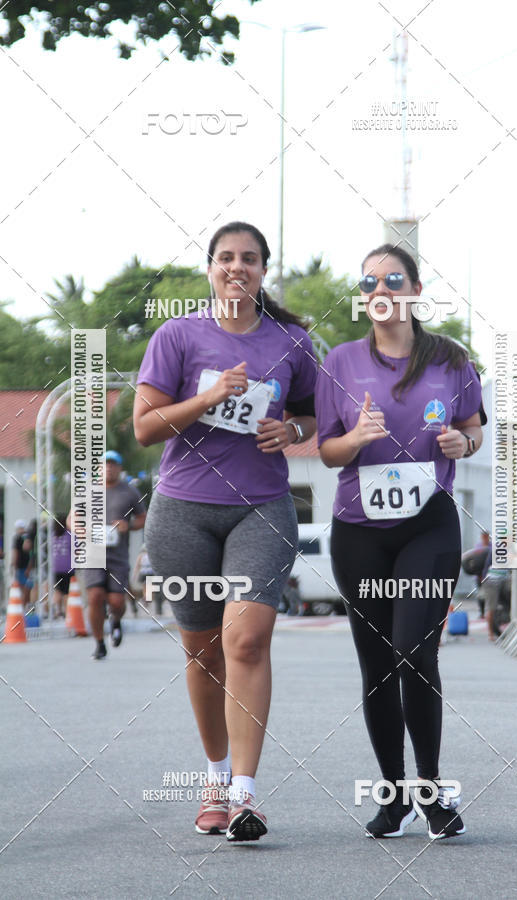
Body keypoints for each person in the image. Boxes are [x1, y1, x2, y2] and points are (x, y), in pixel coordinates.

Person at [134, 221, 317, 842]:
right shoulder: (177, 335)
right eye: (226, 258)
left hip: (260, 508)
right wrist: (208, 397)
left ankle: (245, 794)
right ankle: (212, 778)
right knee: (203, 650)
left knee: (246, 642)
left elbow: (311, 416)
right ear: (210, 268)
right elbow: (145, 427)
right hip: (184, 510)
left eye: (250, 259)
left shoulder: (291, 341)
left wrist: (290, 433)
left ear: (265, 270)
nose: (237, 267)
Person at [315, 243, 486, 840]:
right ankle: (393, 796)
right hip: (359, 529)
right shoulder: (338, 361)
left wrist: (463, 445)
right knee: (377, 665)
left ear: (414, 289)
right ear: (363, 296)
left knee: (415, 651)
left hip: (428, 524)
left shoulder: (451, 359)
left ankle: (431, 790)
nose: (380, 289)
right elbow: (327, 450)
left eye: (393, 278)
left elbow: (473, 429)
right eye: (369, 281)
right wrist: (356, 436)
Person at [68, 451, 147, 659]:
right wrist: (79, 529)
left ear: (120, 468)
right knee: (95, 597)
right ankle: (99, 642)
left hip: (117, 556)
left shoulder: (129, 492)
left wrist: (127, 525)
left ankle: (116, 620)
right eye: (105, 465)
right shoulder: (88, 491)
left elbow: (143, 519)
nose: (109, 468)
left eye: (113, 465)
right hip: (92, 554)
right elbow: (71, 518)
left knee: (116, 601)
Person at [52, 514, 72, 618]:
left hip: (55, 567)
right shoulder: (69, 535)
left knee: (58, 590)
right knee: (67, 591)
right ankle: (67, 611)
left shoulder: (52, 535)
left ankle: (58, 611)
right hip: (68, 567)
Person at [10, 519, 33, 608]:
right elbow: (31, 554)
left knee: (21, 587)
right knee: (29, 587)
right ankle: (27, 605)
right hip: (29, 566)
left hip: (20, 566)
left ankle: (21, 606)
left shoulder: (17, 538)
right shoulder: (29, 537)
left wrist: (13, 565)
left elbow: (15, 553)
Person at [474, 530, 490, 618]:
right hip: (479, 576)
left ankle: (488, 612)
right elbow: (476, 563)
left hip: (489, 575)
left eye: (486, 537)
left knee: (489, 595)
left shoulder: (491, 547)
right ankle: (482, 612)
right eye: (483, 537)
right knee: (480, 595)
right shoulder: (478, 547)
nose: (485, 539)